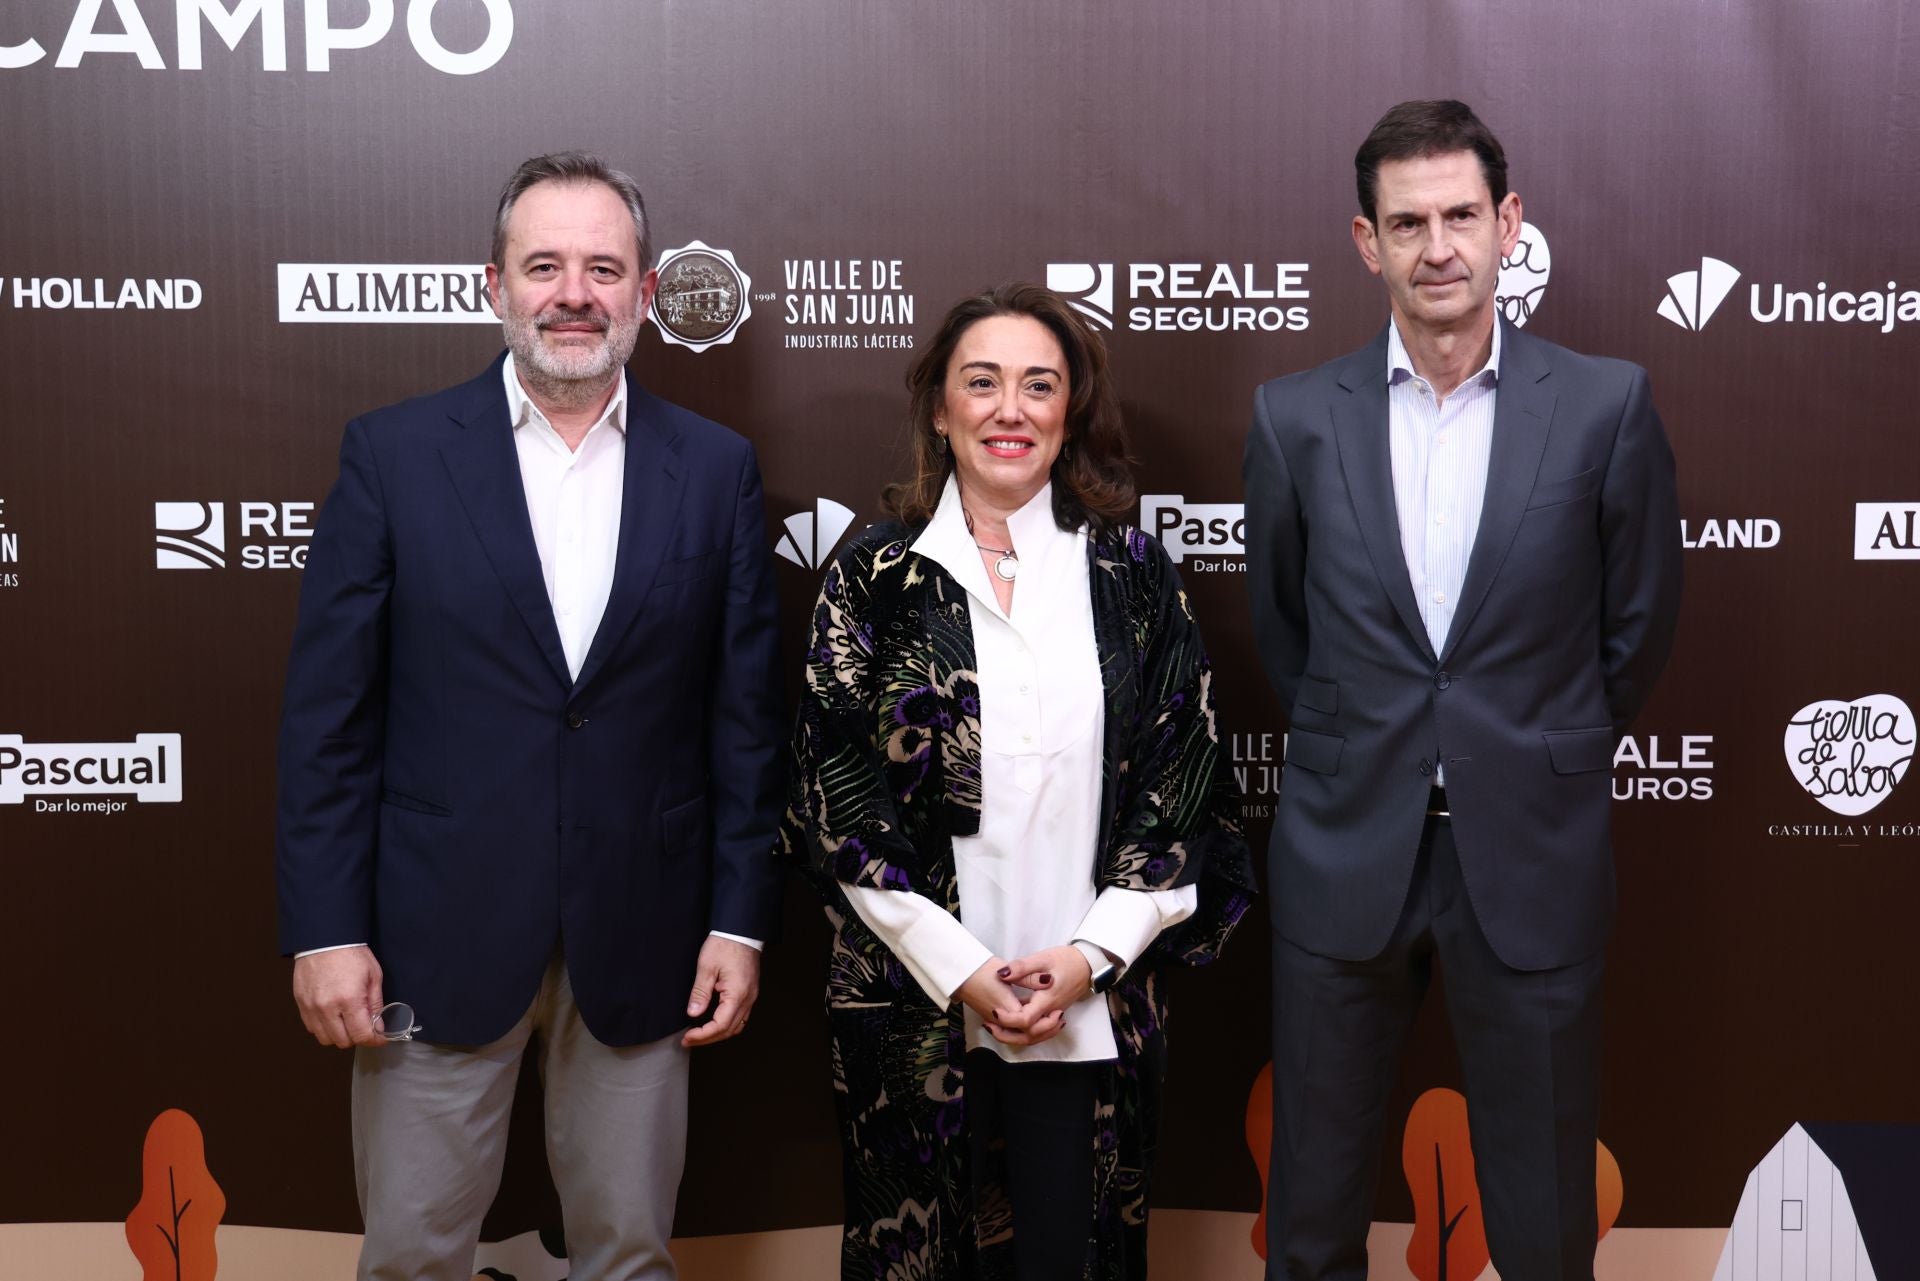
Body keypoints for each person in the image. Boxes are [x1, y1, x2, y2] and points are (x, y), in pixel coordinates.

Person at [276, 151, 785, 1281]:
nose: (574, 293)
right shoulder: (393, 456)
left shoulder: (716, 470)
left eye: (604, 268)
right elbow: (329, 718)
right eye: (543, 264)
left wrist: (739, 923)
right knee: (411, 1255)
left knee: (628, 1255)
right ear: (492, 284)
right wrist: (324, 928)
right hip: (431, 930)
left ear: (647, 294)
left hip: (645, 932)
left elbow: (744, 721)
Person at [1244, 100, 1683, 1280]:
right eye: (1407, 222)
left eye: (1459, 216)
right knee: (1314, 1212)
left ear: (1508, 225)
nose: (1437, 246)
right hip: (1345, 852)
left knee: (1543, 1220)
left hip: (1531, 851)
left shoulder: (1605, 405)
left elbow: (1634, 627)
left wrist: (1529, 743)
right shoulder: (1294, 421)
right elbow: (1285, 632)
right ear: (1364, 241)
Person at [781, 282, 1256, 1280]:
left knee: (1074, 1260)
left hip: (1091, 1007)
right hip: (915, 1004)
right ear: (942, 410)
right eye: (981, 383)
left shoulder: (1132, 574)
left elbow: (1184, 781)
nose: (1010, 409)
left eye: (1038, 385)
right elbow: (835, 793)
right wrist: (960, 967)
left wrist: (1093, 954)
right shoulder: (873, 577)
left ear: (1069, 412)